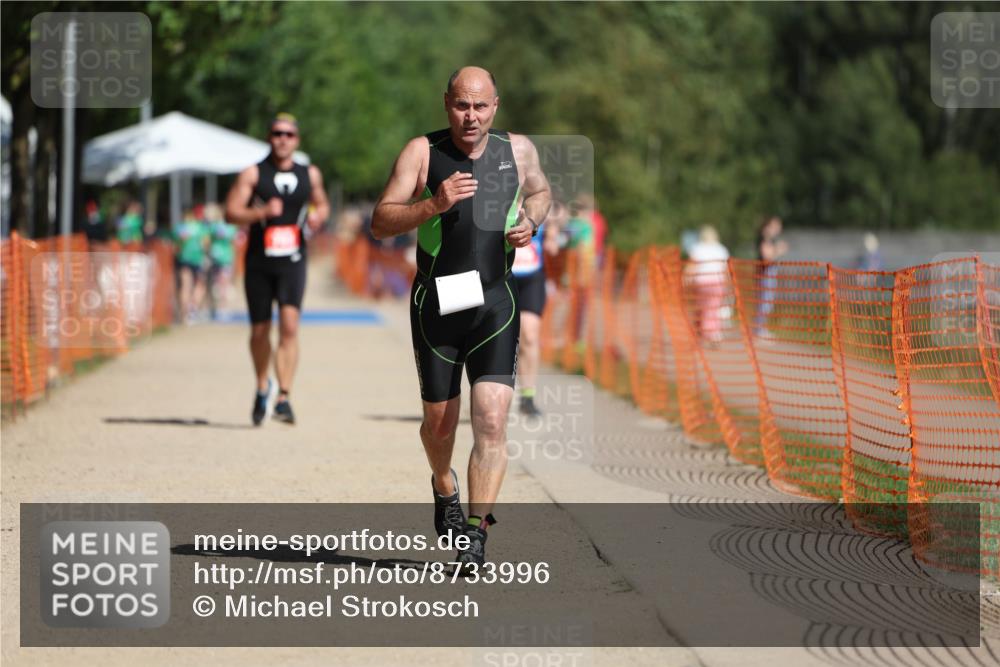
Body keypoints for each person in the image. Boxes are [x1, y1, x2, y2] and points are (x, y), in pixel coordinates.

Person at [371, 66, 551, 569]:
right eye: (460, 105)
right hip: (437, 303)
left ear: (496, 106)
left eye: (480, 106)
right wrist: (433, 203)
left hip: (496, 301)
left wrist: (530, 222)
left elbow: (540, 192)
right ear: (446, 103)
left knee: (491, 418)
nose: (470, 116)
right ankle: (443, 484)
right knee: (439, 425)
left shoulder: (518, 150)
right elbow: (381, 221)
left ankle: (476, 531)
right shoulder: (422, 152)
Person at [224, 113, 330, 426]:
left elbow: (322, 203)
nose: (282, 139)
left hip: (293, 260)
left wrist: (318, 216)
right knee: (259, 330)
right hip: (259, 261)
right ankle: (262, 385)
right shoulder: (253, 173)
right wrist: (260, 212)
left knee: (289, 327)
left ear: (297, 140)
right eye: (277, 133)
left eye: (289, 134)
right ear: (269, 137)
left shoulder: (309, 174)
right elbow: (230, 212)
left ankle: (283, 396)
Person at [512, 200, 564, 417]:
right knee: (500, 338)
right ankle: (488, 395)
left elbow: (552, 245)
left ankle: (528, 397)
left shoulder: (540, 206)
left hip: (532, 278)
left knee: (530, 336)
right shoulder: (497, 202)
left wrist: (554, 236)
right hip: (503, 276)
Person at [685, 225, 729, 345]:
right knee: (712, 309)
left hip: (701, 283)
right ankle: (712, 333)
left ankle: (706, 332)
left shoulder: (697, 248)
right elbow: (725, 269)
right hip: (717, 283)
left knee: (703, 309)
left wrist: (686, 278)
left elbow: (691, 266)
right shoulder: (721, 249)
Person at [173, 207, 209, 324]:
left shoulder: (180, 228)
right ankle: (192, 308)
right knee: (200, 285)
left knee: (185, 286)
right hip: (198, 259)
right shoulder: (201, 228)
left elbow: (176, 245)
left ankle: (184, 315)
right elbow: (205, 244)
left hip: (183, 259)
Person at [754, 215, 788, 338]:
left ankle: (760, 329)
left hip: (768, 273)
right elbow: (767, 257)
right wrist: (779, 250)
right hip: (765, 274)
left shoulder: (769, 240)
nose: (778, 228)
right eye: (775, 226)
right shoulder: (765, 239)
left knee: (767, 302)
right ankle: (759, 330)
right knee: (765, 302)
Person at [205, 203, 236, 320]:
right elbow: (232, 243)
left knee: (215, 283)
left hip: (215, 257)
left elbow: (207, 241)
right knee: (223, 284)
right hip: (225, 259)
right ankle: (222, 309)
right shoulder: (230, 227)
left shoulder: (212, 227)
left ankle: (215, 309)